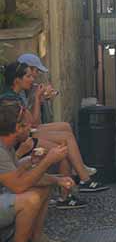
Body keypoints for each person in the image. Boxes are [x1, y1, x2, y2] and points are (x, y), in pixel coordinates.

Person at [3, 61, 106, 197]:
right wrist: (38, 99)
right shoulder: (10, 100)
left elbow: (34, 123)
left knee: (65, 127)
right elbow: (33, 124)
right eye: (29, 76)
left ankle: (79, 169)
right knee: (64, 144)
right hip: (22, 138)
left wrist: (39, 99)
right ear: (17, 80)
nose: (33, 79)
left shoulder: (19, 94)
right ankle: (79, 182)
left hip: (27, 133)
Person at [0, 98, 71, 242]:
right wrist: (48, 161)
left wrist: (57, 180)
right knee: (30, 199)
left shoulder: (7, 146)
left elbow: (24, 176)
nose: (32, 130)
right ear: (17, 128)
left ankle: (35, 240)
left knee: (41, 185)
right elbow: (18, 186)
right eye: (28, 126)